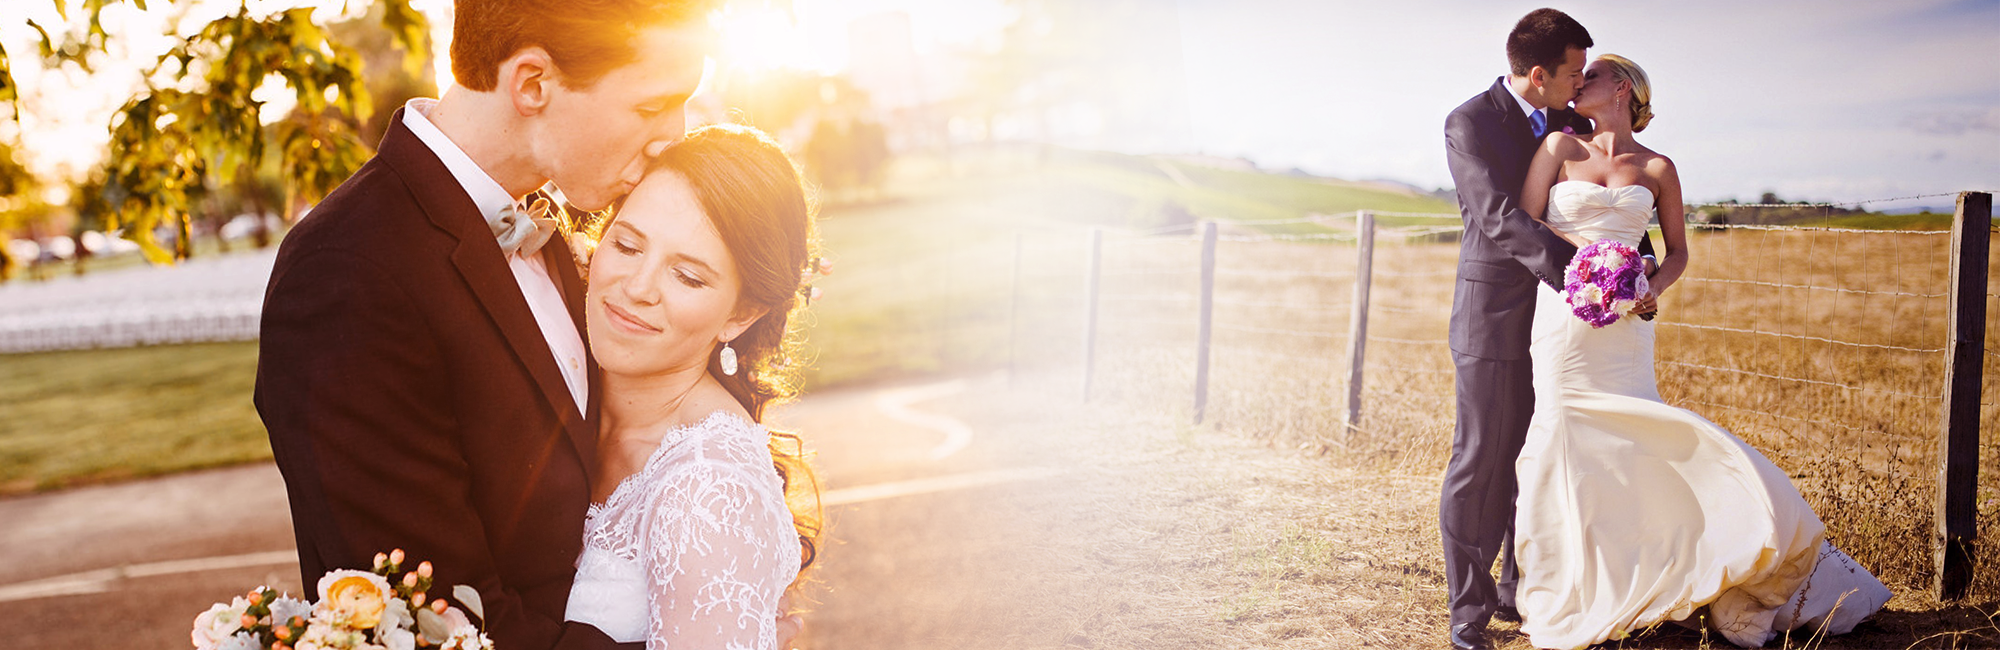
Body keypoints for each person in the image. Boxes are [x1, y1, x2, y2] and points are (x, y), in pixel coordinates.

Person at [257, 2, 795, 648]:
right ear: (533, 83)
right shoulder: (349, 274)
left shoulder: (552, 228)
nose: (672, 136)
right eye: (654, 106)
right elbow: (439, 623)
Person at [1509, 53, 1889, 649]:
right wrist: (1576, 276)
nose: (1578, 81)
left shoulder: (1658, 166)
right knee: (1561, 433)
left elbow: (1678, 251)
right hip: (1562, 318)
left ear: (1625, 88)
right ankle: (1574, 585)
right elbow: (1526, 227)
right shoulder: (1559, 147)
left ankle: (1690, 565)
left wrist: (1647, 288)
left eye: (1594, 74)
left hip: (1629, 324)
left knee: (1639, 440)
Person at [562, 124, 820, 650]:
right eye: (628, 245)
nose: (637, 288)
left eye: (688, 277)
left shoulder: (711, 488)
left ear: (742, 315)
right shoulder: (558, 389)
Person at [1440, 9, 1650, 650]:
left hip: (1569, 329)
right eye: (1572, 73)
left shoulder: (1566, 121)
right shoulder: (1469, 122)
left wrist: (1632, 272)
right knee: (1484, 460)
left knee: (1544, 456)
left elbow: (1610, 192)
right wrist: (1587, 274)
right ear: (1538, 74)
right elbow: (1499, 216)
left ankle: (1520, 589)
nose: (1580, 83)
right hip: (1498, 313)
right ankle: (1469, 612)